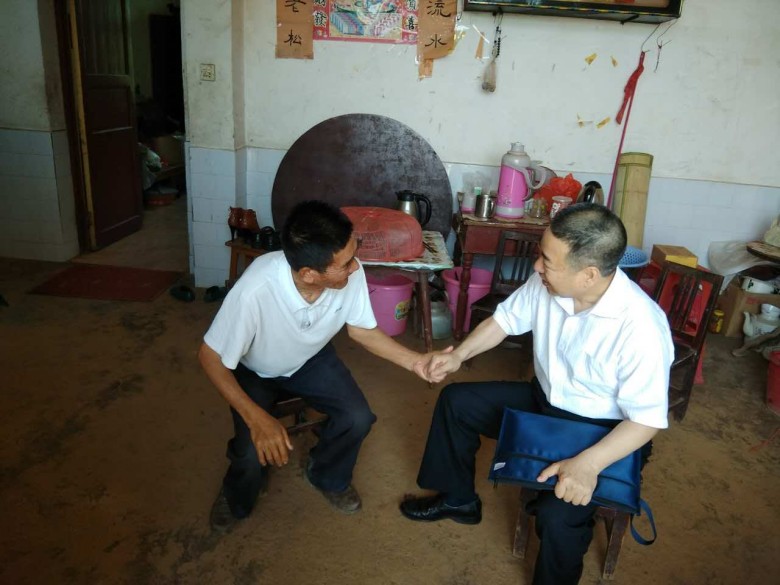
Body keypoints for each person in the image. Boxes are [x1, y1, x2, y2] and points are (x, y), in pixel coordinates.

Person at [399, 202, 673, 585]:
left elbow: (645, 421)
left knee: (557, 517)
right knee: (457, 403)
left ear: (588, 275)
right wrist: (459, 355)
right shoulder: (548, 283)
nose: (537, 266)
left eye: (547, 261)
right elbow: (504, 321)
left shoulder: (641, 328)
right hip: (543, 402)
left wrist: (589, 464)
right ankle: (459, 499)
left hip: (603, 433)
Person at [199, 200, 433, 533]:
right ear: (309, 274)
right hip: (256, 369)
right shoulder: (256, 289)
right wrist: (257, 418)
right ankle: (236, 495)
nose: (355, 267)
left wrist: (416, 361)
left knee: (357, 417)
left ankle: (326, 474)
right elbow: (209, 356)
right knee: (250, 452)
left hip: (310, 358)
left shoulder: (349, 273)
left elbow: (362, 330)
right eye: (345, 263)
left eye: (353, 254)